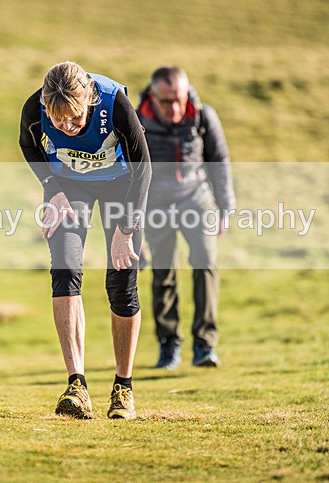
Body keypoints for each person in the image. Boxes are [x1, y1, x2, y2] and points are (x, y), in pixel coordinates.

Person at [20, 61, 152, 419]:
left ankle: (123, 389)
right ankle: (76, 385)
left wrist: (126, 229)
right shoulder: (35, 107)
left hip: (122, 186)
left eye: (75, 118)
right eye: (58, 120)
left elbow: (144, 167)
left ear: (89, 100)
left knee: (122, 282)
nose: (67, 126)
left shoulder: (114, 103)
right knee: (64, 270)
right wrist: (52, 187)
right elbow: (27, 144)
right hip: (69, 186)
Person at [136, 66, 236, 370]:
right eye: (166, 102)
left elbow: (219, 159)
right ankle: (169, 345)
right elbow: (128, 172)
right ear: (153, 97)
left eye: (179, 99)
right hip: (155, 203)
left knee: (205, 262)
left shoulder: (204, 115)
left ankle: (205, 344)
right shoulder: (136, 120)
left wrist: (225, 208)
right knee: (163, 272)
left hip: (196, 199)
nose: (175, 108)